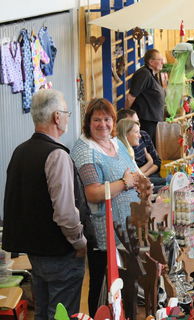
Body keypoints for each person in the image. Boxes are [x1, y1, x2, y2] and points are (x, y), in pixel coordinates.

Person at [2, 89, 88, 320]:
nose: (68, 118)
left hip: (35, 251)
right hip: (59, 251)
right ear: (57, 117)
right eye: (67, 113)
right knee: (61, 314)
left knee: (43, 311)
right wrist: (80, 242)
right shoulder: (56, 155)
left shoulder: (20, 151)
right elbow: (66, 213)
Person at [71, 98, 141, 315]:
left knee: (126, 284)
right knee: (103, 287)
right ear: (88, 122)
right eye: (97, 119)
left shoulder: (116, 143)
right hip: (103, 234)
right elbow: (93, 192)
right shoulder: (85, 151)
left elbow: (135, 172)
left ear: (114, 121)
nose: (103, 124)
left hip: (127, 227)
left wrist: (138, 183)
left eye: (107, 119)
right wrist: (124, 183)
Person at [126, 49, 166, 146]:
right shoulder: (144, 74)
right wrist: (126, 116)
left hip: (152, 121)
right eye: (159, 60)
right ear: (151, 62)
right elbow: (130, 97)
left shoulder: (152, 74)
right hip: (145, 120)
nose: (162, 62)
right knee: (145, 149)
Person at [117, 109, 164, 187]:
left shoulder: (143, 135)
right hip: (137, 183)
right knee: (167, 185)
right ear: (124, 127)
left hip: (150, 175)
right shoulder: (121, 148)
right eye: (133, 123)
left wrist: (145, 174)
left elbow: (158, 162)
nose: (137, 125)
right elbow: (132, 176)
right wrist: (149, 162)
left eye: (138, 122)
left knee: (169, 183)